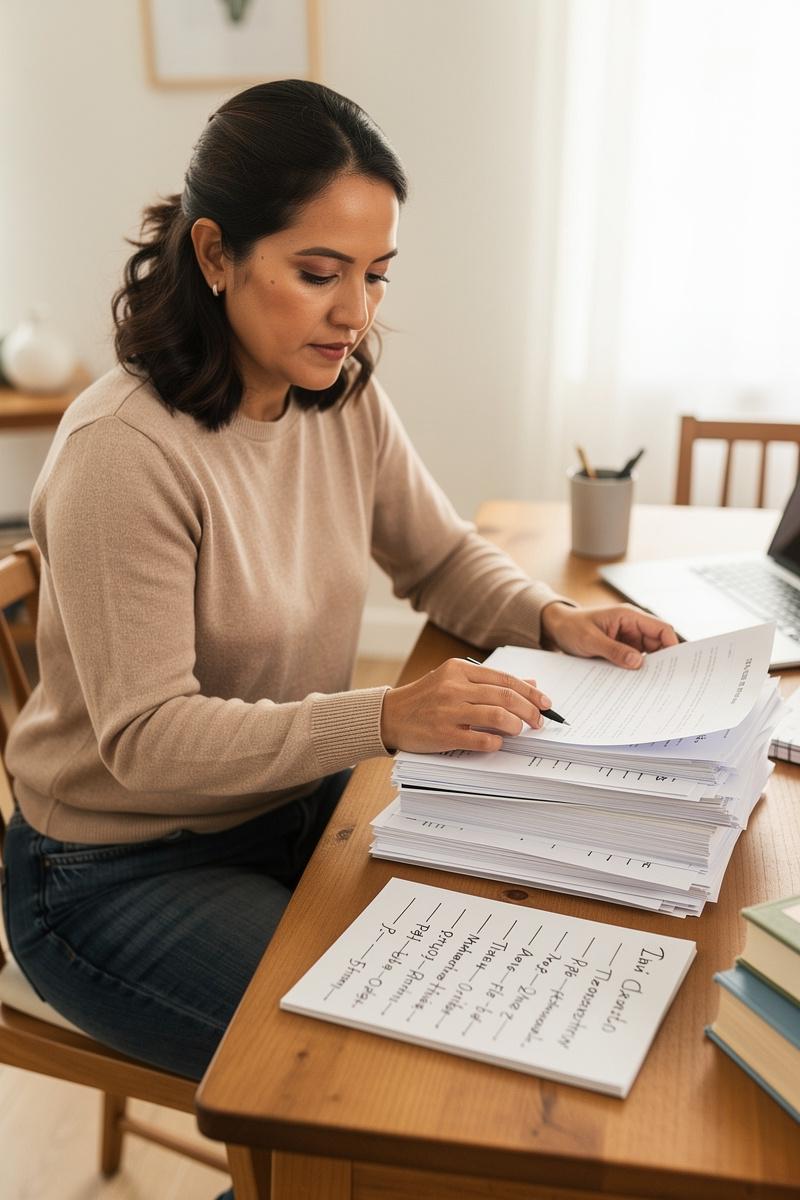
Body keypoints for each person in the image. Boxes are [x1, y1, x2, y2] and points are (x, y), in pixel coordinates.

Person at [2, 79, 676, 1195]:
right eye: (318, 274)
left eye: (373, 276)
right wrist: (378, 717)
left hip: (286, 814)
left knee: (518, 943)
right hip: (111, 872)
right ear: (214, 255)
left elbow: (440, 556)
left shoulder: (337, 394)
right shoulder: (123, 452)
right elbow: (146, 742)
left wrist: (556, 617)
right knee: (378, 1090)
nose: (354, 312)